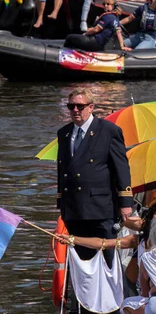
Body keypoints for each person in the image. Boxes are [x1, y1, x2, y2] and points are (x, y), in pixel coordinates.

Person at [56, 88, 132, 267]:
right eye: (71, 106)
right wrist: (61, 203)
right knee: (83, 260)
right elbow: (62, 170)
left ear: (91, 107)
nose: (75, 110)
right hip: (74, 208)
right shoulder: (64, 133)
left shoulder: (108, 130)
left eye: (79, 106)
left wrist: (126, 203)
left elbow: (121, 168)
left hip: (100, 207)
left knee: (107, 260)